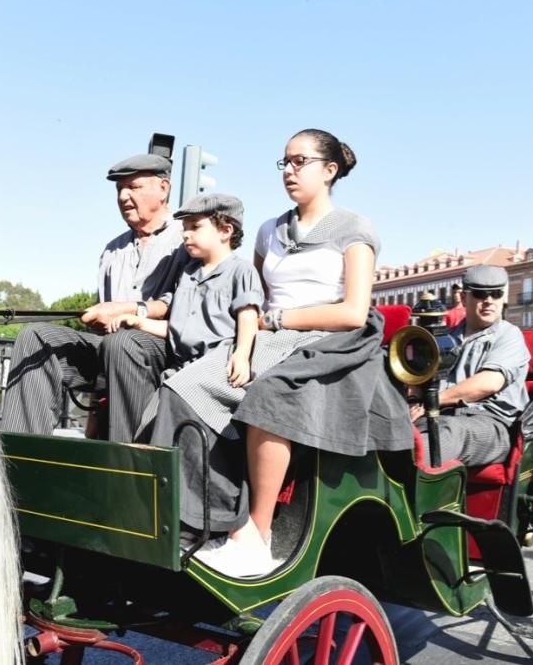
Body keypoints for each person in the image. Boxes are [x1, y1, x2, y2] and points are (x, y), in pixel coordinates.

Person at [152, 129, 412, 576]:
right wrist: (241, 343)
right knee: (182, 386)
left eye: (300, 162)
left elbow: (352, 311)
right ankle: (200, 518)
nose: (289, 171)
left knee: (269, 396)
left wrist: (281, 321)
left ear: (329, 171)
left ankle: (258, 533)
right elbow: (251, 298)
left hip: (331, 341)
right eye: (285, 162)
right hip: (270, 334)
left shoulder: (355, 228)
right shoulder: (270, 230)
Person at [1, 153, 188, 436]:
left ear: (164, 188)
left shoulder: (187, 237)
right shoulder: (112, 250)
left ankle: (124, 462)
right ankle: (21, 456)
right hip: (114, 349)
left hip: (166, 349)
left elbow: (188, 307)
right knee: (35, 337)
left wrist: (128, 312)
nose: (124, 196)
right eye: (119, 189)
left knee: (123, 344)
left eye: (134, 187)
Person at [108, 194, 263, 425]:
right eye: (184, 228)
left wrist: (242, 355)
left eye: (195, 227)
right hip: (180, 368)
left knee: (176, 404)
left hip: (216, 365)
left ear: (225, 231)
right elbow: (178, 328)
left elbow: (248, 317)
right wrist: (138, 321)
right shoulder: (187, 274)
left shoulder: (241, 271)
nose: (185, 234)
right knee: (148, 419)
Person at [408, 265, 531, 466]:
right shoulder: (447, 336)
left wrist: (433, 402)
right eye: (480, 294)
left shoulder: (509, 334)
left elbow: (489, 383)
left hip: (491, 423)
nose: (489, 301)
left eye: (496, 294)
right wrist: (413, 399)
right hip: (440, 416)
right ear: (464, 298)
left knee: (449, 431)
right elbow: (418, 373)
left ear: (503, 299)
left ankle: (399, 476)